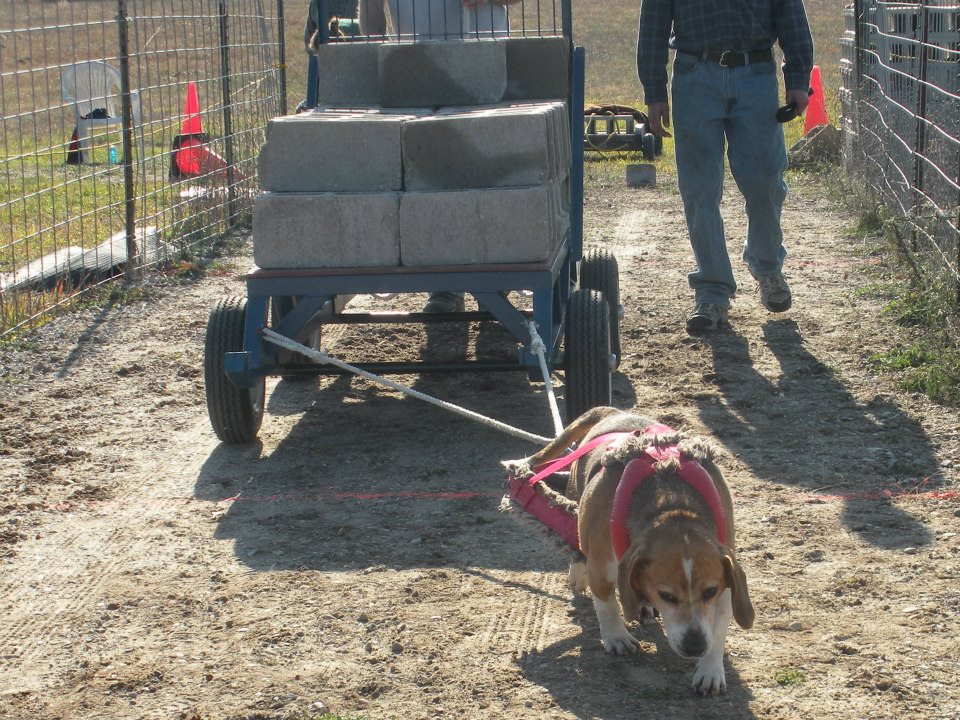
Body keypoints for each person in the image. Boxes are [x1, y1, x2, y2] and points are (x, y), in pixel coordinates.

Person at [636, 0, 814, 331]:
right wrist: (655, 92)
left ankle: (767, 266)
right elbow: (653, 23)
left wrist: (799, 77)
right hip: (694, 76)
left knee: (766, 183)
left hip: (756, 75)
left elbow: (790, 13)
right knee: (699, 189)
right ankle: (712, 290)